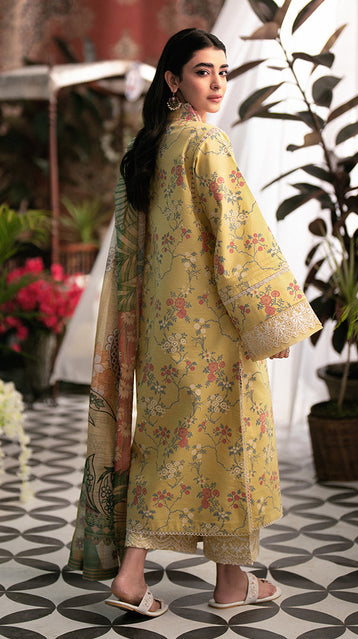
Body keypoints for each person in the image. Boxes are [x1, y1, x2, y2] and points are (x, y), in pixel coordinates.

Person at [68, 28, 321, 617]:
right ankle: (136, 575)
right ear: (173, 80)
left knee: (176, 443)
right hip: (213, 331)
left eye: (223, 71)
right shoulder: (205, 144)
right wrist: (268, 319)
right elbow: (236, 238)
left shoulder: (150, 147)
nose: (217, 83)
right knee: (215, 444)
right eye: (203, 71)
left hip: (162, 331)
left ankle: (228, 581)